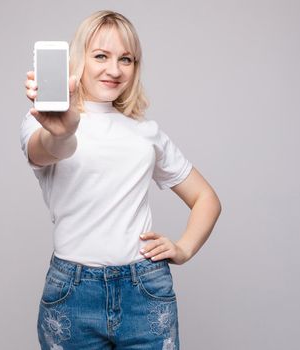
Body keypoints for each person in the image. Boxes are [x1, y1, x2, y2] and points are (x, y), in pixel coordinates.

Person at [20, 10, 221, 350]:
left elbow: (206, 199)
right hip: (72, 294)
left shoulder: (146, 133)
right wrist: (65, 129)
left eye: (125, 59)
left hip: (145, 290)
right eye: (101, 56)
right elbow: (48, 149)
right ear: (79, 58)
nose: (114, 70)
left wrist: (183, 248)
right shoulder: (41, 121)